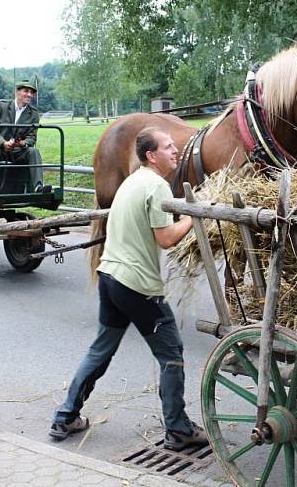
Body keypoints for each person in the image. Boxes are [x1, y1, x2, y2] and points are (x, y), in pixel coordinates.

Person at [49, 127, 207, 451]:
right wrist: (194, 216)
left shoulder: (133, 181)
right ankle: (178, 429)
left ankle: (65, 416)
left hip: (109, 276)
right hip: (137, 285)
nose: (175, 150)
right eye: (167, 146)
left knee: (100, 350)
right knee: (172, 354)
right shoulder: (156, 184)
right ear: (151, 155)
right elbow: (165, 239)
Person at [0, 80, 45, 195]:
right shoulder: (2, 106)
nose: (29, 95)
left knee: (34, 152)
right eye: (26, 91)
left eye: (31, 92)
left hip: (18, 150)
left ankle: (38, 186)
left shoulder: (33, 113)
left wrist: (23, 143)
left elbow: (32, 137)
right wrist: (3, 143)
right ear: (17, 92)